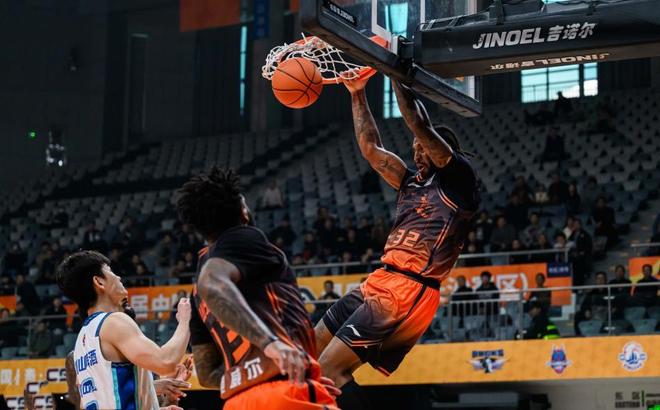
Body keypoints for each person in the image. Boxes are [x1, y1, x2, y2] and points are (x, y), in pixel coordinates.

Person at [314, 77, 480, 410]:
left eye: (423, 149)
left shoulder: (459, 179)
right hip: (379, 280)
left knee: (330, 370)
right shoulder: (409, 183)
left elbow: (419, 124)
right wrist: (357, 93)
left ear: (441, 150)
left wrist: (392, 71)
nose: (416, 154)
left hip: (410, 288)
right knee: (309, 353)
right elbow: (371, 150)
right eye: (414, 149)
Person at [175, 167, 339, 410]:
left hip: (239, 401)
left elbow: (207, 374)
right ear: (243, 211)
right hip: (285, 393)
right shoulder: (245, 239)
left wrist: (261, 370)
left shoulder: (196, 293)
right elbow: (213, 282)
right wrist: (270, 344)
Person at [56, 250, 191, 410]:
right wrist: (186, 320)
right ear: (99, 282)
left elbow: (109, 396)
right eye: (111, 272)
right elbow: (165, 362)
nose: (119, 277)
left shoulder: (82, 340)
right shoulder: (112, 322)